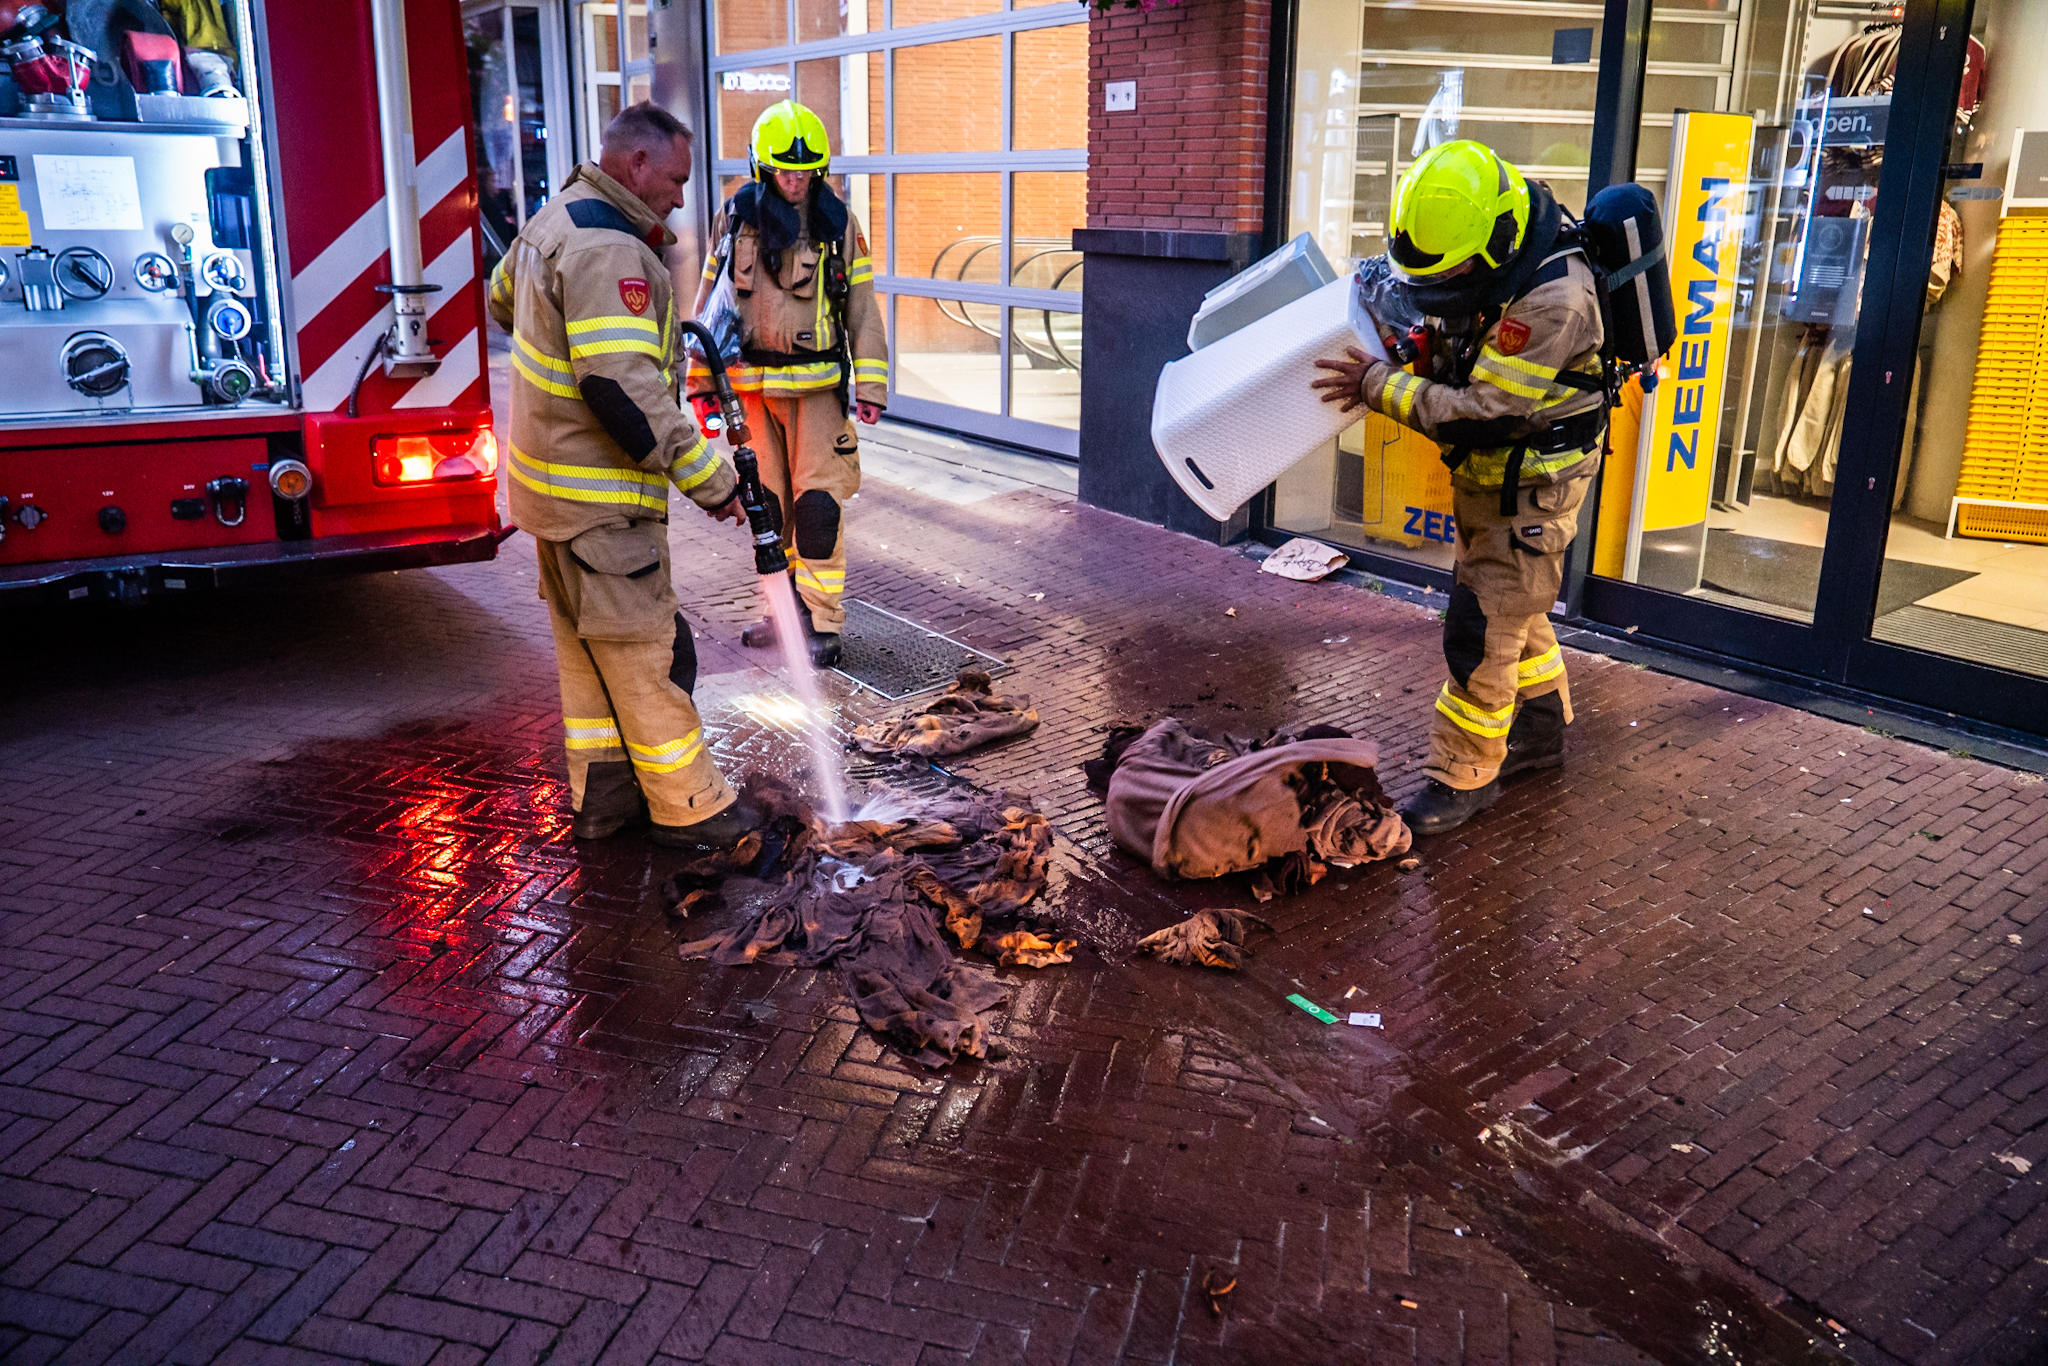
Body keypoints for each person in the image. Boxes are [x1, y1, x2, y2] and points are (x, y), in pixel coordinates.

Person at [1313, 140, 1606, 836]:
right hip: (1495, 483)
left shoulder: (1553, 300)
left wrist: (1379, 384)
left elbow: (1488, 409)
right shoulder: (1497, 257)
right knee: (1520, 610)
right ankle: (1536, 739)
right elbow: (1453, 329)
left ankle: (1462, 776)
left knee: (1482, 629)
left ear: (1496, 239)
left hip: (1529, 491)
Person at [487, 102, 757, 848]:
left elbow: (500, 301)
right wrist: (714, 481)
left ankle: (606, 800)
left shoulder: (555, 220)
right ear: (636, 164)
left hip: (548, 499)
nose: (678, 196)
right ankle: (694, 808)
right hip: (602, 508)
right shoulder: (611, 251)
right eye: (674, 179)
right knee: (645, 654)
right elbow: (621, 387)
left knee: (588, 661)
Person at [690, 99, 889, 669]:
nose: (796, 181)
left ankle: (823, 621)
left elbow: (862, 309)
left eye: (805, 171)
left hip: (818, 394)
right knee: (768, 510)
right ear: (760, 166)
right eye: (784, 170)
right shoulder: (734, 218)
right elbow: (713, 305)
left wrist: (869, 388)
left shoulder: (838, 225)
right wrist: (702, 382)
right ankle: (782, 614)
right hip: (750, 392)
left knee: (819, 508)